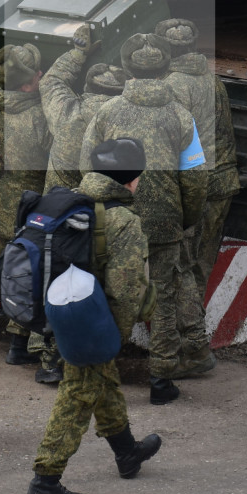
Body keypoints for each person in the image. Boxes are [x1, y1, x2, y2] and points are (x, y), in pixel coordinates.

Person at [27, 137, 162, 494]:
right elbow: (126, 289)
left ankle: (126, 452)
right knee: (77, 393)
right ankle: (45, 479)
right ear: (132, 181)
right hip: (90, 322)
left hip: (58, 310)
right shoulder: (123, 221)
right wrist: (111, 340)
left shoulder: (69, 201)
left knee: (101, 380)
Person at [80, 33, 208, 406]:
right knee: (164, 297)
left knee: (106, 290)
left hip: (112, 215)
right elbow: (196, 178)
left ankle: (101, 367)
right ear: (167, 68)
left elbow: (87, 162)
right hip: (165, 220)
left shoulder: (108, 111)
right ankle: (161, 378)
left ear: (127, 69)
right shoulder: (181, 116)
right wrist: (186, 216)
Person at [0, 44, 59, 381]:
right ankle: (20, 343)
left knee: (12, 273)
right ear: (28, 85)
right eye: (38, 73)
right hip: (31, 211)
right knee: (29, 276)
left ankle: (15, 345)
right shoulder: (39, 116)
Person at [156, 17, 241, 376]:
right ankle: (195, 341)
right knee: (201, 263)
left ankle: (183, 347)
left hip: (191, 186)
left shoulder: (170, 86)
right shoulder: (214, 80)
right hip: (221, 182)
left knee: (180, 268)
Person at [39, 24, 127, 192]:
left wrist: (78, 53)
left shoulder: (65, 113)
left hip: (57, 209)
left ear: (87, 87)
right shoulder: (128, 126)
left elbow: (51, 81)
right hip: (106, 212)